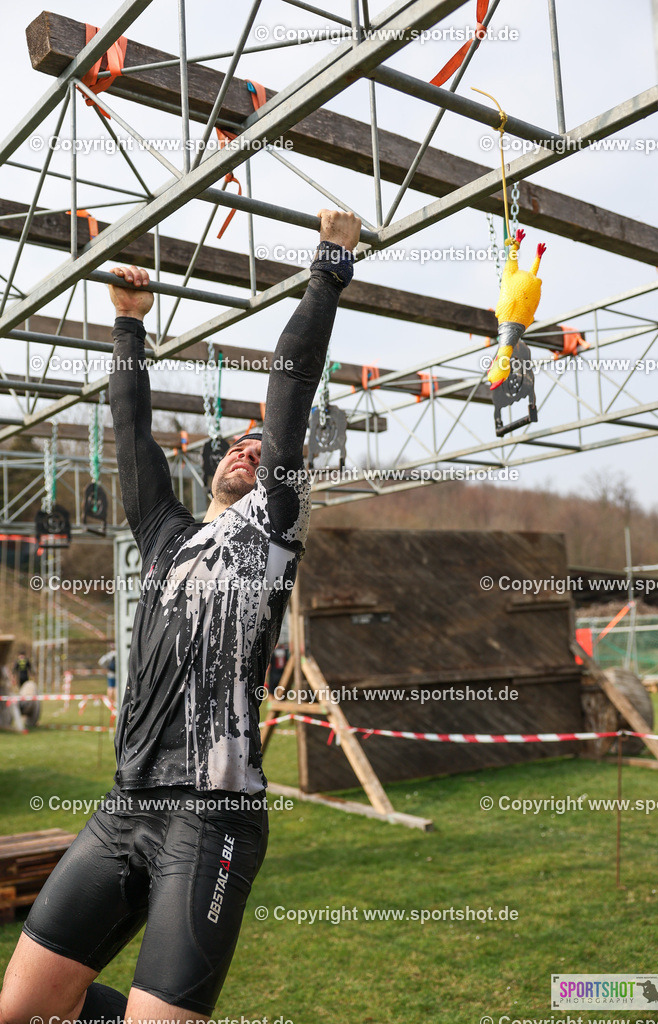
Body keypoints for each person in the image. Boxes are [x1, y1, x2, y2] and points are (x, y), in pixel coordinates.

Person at [0, 209, 361, 1024]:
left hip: (213, 814)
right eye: (231, 446)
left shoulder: (273, 527)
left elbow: (290, 387)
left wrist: (327, 269)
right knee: (22, 1011)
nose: (247, 449)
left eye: (257, 446)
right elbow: (131, 438)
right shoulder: (166, 538)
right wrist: (127, 331)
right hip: (124, 806)